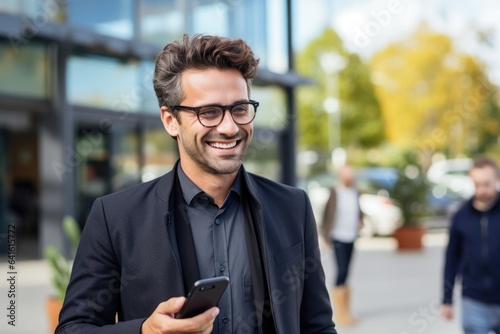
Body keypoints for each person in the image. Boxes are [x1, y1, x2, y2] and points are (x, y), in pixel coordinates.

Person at [56, 34, 336, 334]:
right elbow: (73, 329)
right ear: (170, 120)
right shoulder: (115, 217)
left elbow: (317, 326)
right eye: (209, 112)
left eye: (240, 108)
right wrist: (145, 331)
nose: (229, 128)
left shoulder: (292, 206)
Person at [441, 156, 500, 334]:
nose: (481, 190)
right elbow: (451, 257)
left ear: (497, 180)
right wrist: (447, 299)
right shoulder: (461, 216)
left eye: (486, 184)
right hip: (473, 300)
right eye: (477, 184)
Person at [320, 164, 362, 327]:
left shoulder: (355, 192)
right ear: (340, 177)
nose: (349, 179)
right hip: (338, 236)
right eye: (346, 176)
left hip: (352, 236)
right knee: (341, 271)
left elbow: (358, 210)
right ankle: (340, 313)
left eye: (351, 176)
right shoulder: (335, 192)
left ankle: (347, 310)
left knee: (347, 272)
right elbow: (327, 214)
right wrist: (325, 236)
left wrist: (361, 220)